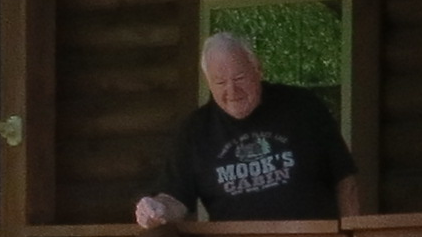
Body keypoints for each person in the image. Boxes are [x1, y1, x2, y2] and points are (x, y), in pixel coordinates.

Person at [138, 32, 360, 226]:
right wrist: (158, 209)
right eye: (220, 82)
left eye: (239, 78)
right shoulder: (195, 130)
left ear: (258, 69)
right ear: (208, 83)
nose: (232, 90)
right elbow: (175, 197)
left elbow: (345, 180)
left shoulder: (303, 106)